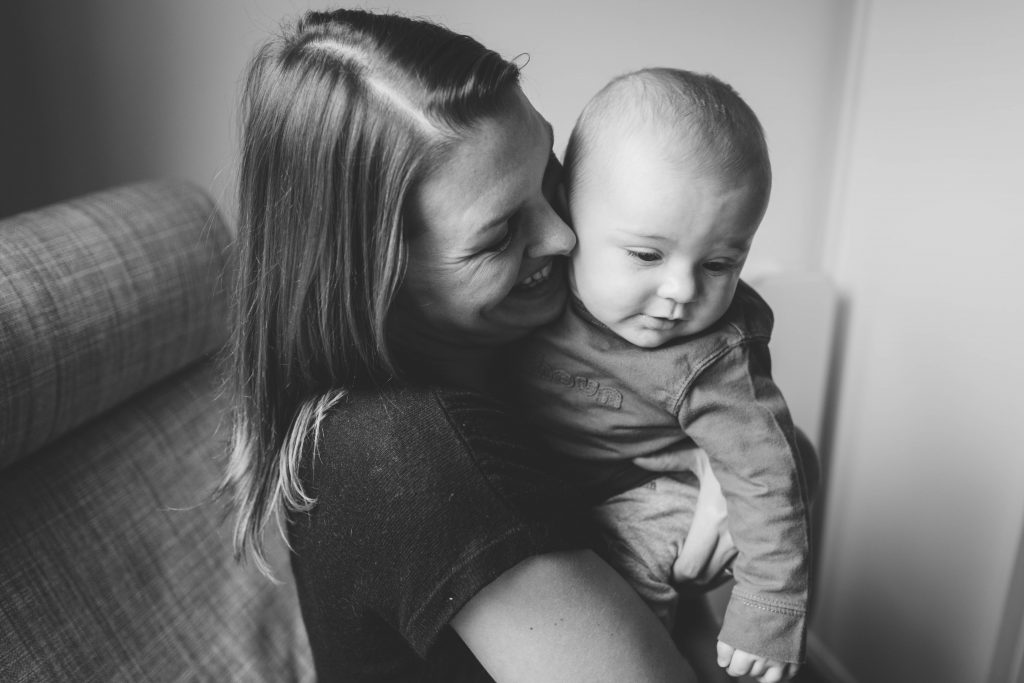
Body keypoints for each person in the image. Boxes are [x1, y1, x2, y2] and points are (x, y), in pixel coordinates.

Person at [219, 10, 738, 682]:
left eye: (549, 169)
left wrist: (743, 462)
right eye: (498, 236)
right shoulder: (412, 455)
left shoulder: (523, 357)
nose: (564, 236)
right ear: (373, 278)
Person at [513, 68, 817, 683]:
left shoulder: (714, 357)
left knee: (623, 569)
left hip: (656, 486)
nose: (679, 291)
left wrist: (767, 607)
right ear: (566, 218)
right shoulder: (534, 286)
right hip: (559, 479)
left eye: (719, 263)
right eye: (647, 255)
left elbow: (766, 477)